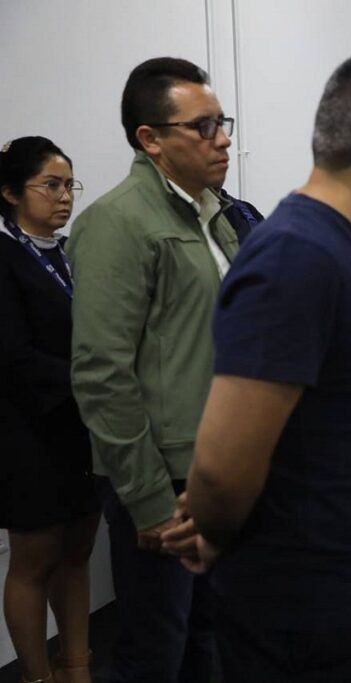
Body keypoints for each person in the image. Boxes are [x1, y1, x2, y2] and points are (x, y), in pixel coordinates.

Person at [164, 50, 351, 682]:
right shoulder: (297, 256)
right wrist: (215, 527)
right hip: (304, 618)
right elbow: (221, 468)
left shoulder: (348, 249)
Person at [67, 57, 238, 683]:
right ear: (151, 139)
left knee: (209, 635)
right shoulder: (118, 222)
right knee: (157, 651)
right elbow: (101, 373)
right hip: (166, 480)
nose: (222, 139)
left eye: (222, 122)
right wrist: (150, 502)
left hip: (216, 469)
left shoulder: (211, 215)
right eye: (203, 126)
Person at [0, 137, 100, 683]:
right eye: (51, 185)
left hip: (81, 428)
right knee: (34, 562)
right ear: (11, 192)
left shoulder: (70, 252)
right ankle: (37, 676)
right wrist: (92, 378)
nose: (64, 197)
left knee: (78, 552)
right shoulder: (5, 258)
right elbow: (14, 355)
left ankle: (77, 667)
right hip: (29, 433)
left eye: (69, 185)